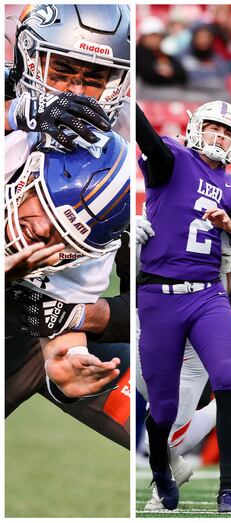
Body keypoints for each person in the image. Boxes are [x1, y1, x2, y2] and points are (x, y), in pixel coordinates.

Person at [4, 3, 132, 449]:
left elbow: (150, 301)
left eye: (93, 78)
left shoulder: (117, 157)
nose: (75, 90)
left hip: (30, 318)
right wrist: (15, 114)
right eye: (62, 71)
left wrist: (70, 347)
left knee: (176, 419)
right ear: (29, 57)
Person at [136, 99, 231, 513]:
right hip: (158, 296)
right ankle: (162, 474)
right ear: (195, 128)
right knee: (164, 408)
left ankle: (229, 489)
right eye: (213, 127)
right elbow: (148, 141)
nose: (220, 135)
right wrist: (127, 93)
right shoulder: (172, 159)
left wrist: (229, 224)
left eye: (228, 132)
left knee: (228, 378)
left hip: (207, 294)